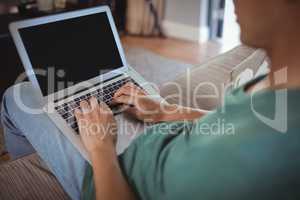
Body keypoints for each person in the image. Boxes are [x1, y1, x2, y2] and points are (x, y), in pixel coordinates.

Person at [1, 0, 300, 199]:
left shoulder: (271, 160)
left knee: (17, 96)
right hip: (154, 138)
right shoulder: (279, 88)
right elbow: (232, 124)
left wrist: (101, 147)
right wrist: (166, 110)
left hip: (111, 177)